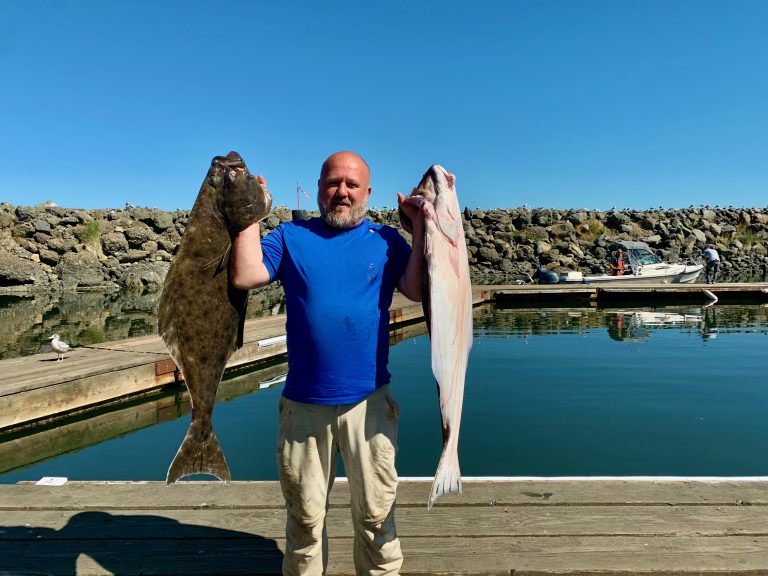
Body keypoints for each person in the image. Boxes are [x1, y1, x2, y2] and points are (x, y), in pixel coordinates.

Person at [229, 151, 426, 576]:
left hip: (368, 402)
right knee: (304, 521)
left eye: (352, 185)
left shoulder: (386, 240)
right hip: (303, 405)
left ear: (367, 193)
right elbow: (245, 274)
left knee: (376, 517)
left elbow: (416, 288)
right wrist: (249, 214)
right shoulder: (289, 236)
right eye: (333, 183)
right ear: (319, 189)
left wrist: (422, 228)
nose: (342, 192)